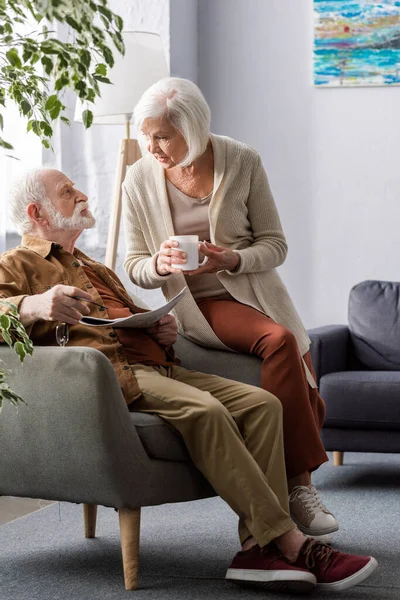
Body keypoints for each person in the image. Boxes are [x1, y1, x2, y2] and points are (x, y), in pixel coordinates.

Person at [0, 168, 377, 593]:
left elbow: (124, 317)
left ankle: (255, 546)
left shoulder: (93, 266)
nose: (82, 195)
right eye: (67, 192)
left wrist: (158, 328)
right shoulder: (17, 264)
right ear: (37, 212)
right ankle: (289, 541)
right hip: (115, 377)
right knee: (207, 411)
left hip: (159, 365)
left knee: (263, 404)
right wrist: (32, 304)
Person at [122, 76, 335, 540]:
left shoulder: (241, 160)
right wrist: (157, 265)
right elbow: (133, 264)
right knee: (281, 342)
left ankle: (291, 490)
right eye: (147, 135)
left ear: (193, 129)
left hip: (254, 295)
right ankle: (299, 485)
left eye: (163, 136)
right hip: (196, 306)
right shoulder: (139, 177)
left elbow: (275, 245)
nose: (153, 147)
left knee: (290, 352)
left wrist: (233, 259)